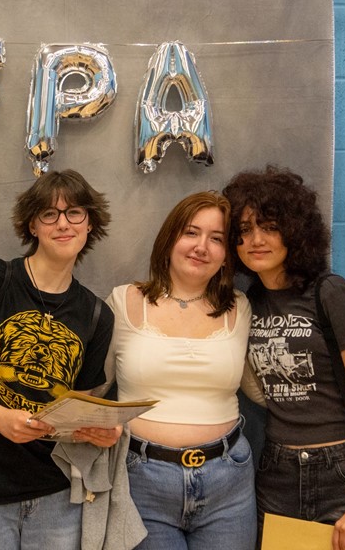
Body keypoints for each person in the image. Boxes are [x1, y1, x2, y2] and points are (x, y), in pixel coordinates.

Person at [0, 169, 120, 550]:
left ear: (90, 224)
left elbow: (77, 410)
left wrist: (102, 430)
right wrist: (1, 419)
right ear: (32, 225)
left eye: (75, 213)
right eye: (49, 214)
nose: (63, 223)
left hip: (56, 495)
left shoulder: (97, 314)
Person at [223, 166, 345, 550]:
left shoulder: (329, 292)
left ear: (295, 231)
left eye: (269, 226)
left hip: (342, 470)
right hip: (275, 472)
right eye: (244, 230)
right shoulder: (248, 304)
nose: (256, 240)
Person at [106, 191, 258, 550]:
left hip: (229, 480)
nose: (201, 246)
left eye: (216, 238)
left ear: (226, 256)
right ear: (170, 239)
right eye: (191, 232)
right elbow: (94, 388)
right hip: (141, 478)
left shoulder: (240, 307)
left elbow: (257, 388)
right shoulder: (125, 301)